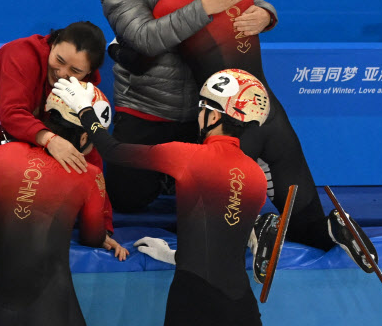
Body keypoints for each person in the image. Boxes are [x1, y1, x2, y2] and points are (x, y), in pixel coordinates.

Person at [152, 0, 378, 281]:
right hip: (268, 108)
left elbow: (152, 40)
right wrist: (269, 14)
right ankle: (333, 228)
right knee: (306, 220)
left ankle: (255, 229)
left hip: (226, 118)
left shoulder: (171, 4)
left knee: (211, 233)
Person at [100, 0, 278, 213]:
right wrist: (204, 8)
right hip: (147, 106)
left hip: (202, 105)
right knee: (127, 198)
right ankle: (172, 173)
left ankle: (240, 164)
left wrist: (265, 13)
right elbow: (143, 38)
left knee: (214, 197)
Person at [54, 70, 271, 326]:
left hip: (191, 296)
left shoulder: (187, 156)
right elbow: (219, 246)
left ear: (213, 115)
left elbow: (113, 151)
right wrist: (172, 255)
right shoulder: (256, 175)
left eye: (201, 109)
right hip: (240, 303)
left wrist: (84, 110)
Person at [0, 85, 128, 326]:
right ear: (85, 136)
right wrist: (101, 237)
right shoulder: (88, 174)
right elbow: (91, 236)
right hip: (51, 305)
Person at [0, 21, 107, 191]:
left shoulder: (87, 89)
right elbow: (12, 113)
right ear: (53, 44)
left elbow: (87, 138)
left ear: (89, 72)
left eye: (75, 71)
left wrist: (97, 186)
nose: (62, 73)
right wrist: (51, 141)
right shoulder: (22, 55)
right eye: (59, 60)